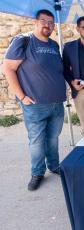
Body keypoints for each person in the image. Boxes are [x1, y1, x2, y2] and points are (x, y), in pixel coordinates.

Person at [2, 9, 66, 191]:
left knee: (53, 138)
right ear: (35, 23)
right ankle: (37, 172)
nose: (48, 25)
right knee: (37, 141)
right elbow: (8, 69)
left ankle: (54, 166)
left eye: (51, 22)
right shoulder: (24, 40)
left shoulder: (54, 45)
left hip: (56, 103)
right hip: (35, 105)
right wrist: (22, 96)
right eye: (44, 21)